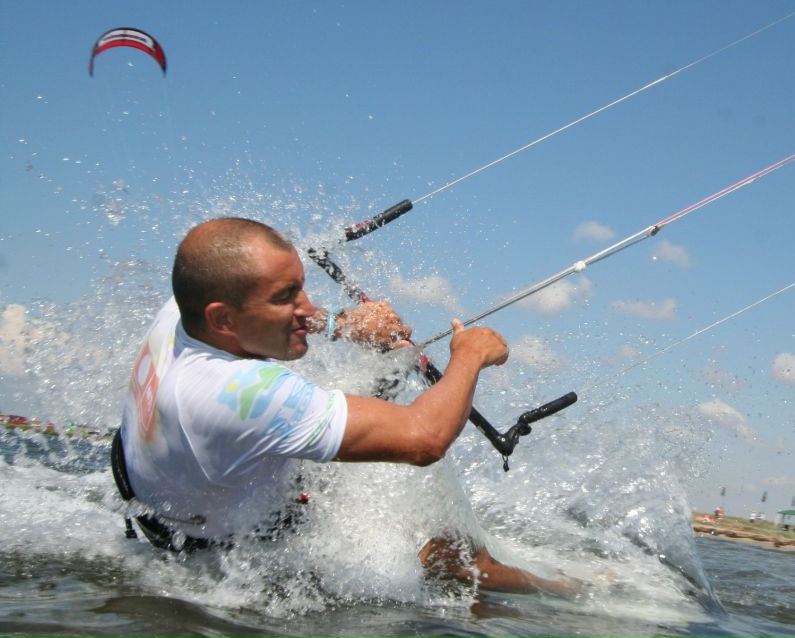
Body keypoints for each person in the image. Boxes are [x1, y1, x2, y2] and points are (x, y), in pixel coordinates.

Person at [114, 217, 574, 595]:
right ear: (223, 318)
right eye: (285, 297)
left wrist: (341, 323)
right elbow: (425, 440)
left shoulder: (181, 311)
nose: (306, 305)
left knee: (374, 397)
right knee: (457, 557)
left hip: (165, 499)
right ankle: (569, 592)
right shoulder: (243, 392)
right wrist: (470, 355)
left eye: (301, 287)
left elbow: (276, 311)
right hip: (223, 547)